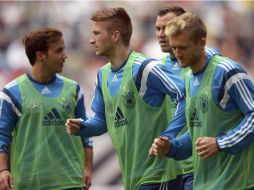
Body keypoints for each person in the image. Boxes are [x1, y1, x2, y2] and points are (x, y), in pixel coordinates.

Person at [66, 7, 186, 190]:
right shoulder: (102, 75)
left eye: (97, 34)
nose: (91, 40)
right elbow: (101, 121)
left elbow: (184, 95)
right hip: (132, 179)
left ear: (115, 36)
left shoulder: (145, 68)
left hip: (159, 177)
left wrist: (168, 137)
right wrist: (82, 126)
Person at [149, 12, 254, 190]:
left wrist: (220, 143)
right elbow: (196, 135)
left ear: (202, 43)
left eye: (182, 47)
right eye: (174, 48)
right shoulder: (189, 79)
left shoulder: (227, 72)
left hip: (236, 184)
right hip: (205, 184)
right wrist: (171, 147)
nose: (177, 54)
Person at [0, 28, 93, 190]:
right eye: (58, 50)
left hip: (70, 182)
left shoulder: (73, 89)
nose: (65, 55)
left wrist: (88, 168)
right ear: (40, 56)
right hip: (29, 184)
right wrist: (3, 170)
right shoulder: (11, 92)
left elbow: (86, 133)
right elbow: (2, 136)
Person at [155, 6, 220, 190]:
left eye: (166, 27)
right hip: (172, 165)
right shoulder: (157, 68)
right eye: (157, 29)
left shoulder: (209, 61)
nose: (161, 34)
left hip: (200, 162)